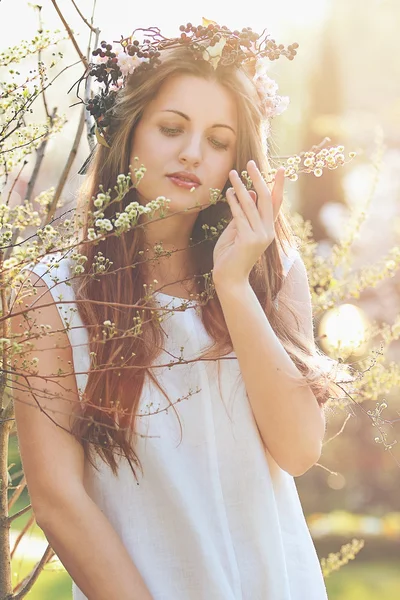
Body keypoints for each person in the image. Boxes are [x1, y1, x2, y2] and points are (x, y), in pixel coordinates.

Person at [11, 21, 339, 600]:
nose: (193, 152)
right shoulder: (52, 294)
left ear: (239, 161)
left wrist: (233, 286)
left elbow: (298, 449)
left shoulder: (272, 274)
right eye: (171, 128)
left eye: (218, 141)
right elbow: (59, 502)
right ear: (128, 132)